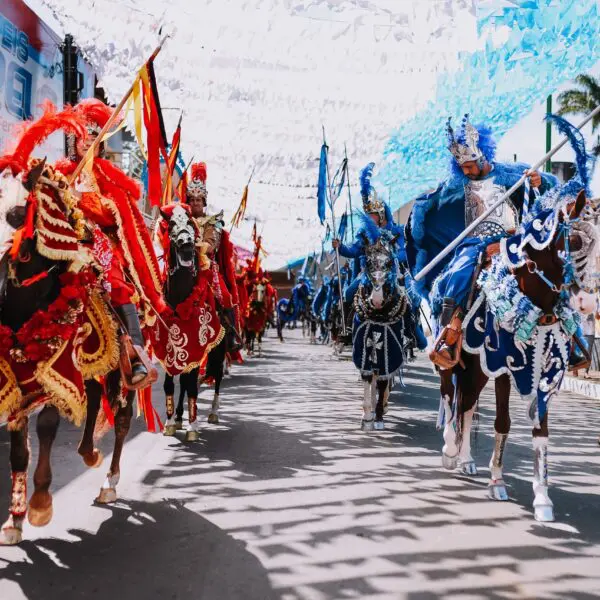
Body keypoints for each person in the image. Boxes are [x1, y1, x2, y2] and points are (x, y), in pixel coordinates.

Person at [405, 115, 558, 369]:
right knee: (457, 273)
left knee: (551, 272)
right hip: (474, 244)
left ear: (482, 157)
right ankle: (451, 332)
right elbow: (433, 201)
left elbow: (545, 196)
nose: (465, 171)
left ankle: (565, 338)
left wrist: (540, 182)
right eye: (461, 166)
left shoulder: (513, 175)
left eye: (469, 165)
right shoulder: (458, 183)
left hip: (512, 241)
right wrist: (422, 207)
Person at [56, 98, 165, 385]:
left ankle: (137, 355)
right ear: (74, 140)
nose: (88, 141)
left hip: (98, 243)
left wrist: (87, 202)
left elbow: (113, 211)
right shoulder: (60, 173)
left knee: (116, 283)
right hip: (65, 239)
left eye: (94, 136)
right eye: (84, 136)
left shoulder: (108, 175)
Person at [183, 163, 242, 355]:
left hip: (206, 267)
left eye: (199, 200)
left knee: (224, 296)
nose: (196, 203)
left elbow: (211, 243)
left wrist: (199, 247)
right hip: (182, 264)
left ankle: (231, 333)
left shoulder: (213, 222)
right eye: (192, 199)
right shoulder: (181, 221)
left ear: (204, 201)